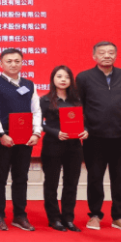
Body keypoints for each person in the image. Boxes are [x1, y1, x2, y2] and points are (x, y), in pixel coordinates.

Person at [76, 41, 121, 233]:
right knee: (95, 176)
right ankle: (95, 215)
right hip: (94, 136)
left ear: (116, 56)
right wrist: (87, 127)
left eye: (111, 52)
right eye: (102, 52)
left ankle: (119, 217)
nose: (107, 55)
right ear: (94, 56)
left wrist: (120, 119)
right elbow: (79, 105)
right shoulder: (84, 77)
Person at [0, 48, 42, 232]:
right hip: (4, 138)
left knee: (21, 177)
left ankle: (20, 215)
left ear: (22, 63)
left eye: (17, 61)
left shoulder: (29, 84)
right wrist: (1, 134)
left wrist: (36, 133)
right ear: (1, 64)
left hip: (25, 138)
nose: (13, 64)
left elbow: (36, 110)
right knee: (0, 177)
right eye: (9, 61)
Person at [40, 65, 86, 232]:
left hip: (74, 147)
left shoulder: (78, 100)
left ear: (71, 80)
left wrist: (86, 130)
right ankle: (54, 218)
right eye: (59, 76)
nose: (63, 80)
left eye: (66, 77)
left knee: (71, 183)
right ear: (53, 79)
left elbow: (87, 120)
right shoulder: (45, 100)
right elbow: (38, 123)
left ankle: (68, 218)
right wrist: (55, 132)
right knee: (51, 183)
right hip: (53, 145)